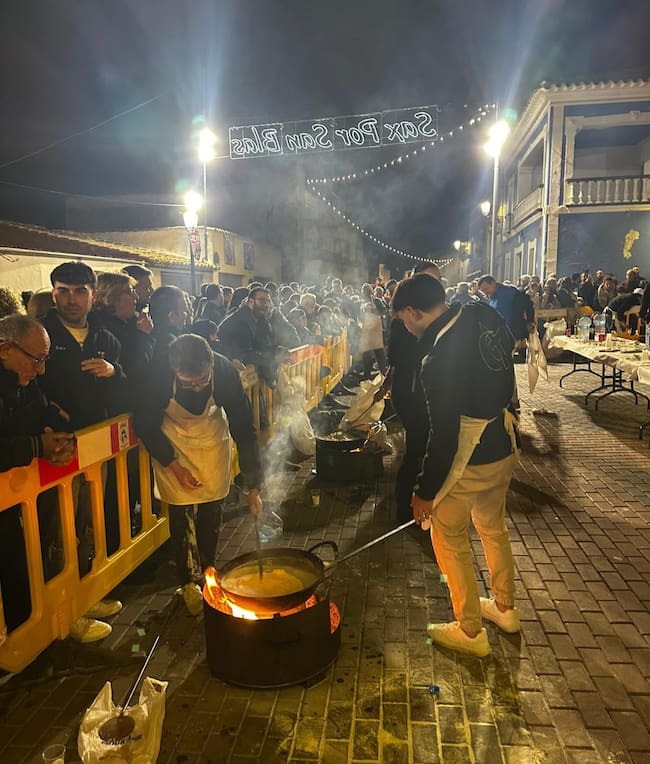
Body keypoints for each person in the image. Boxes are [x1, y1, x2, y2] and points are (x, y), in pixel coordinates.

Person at [391, 273, 520, 657]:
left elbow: (444, 436)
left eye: (403, 319)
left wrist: (424, 492)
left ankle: (469, 629)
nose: (405, 327)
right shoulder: (482, 312)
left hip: (471, 454)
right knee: (493, 527)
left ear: (413, 312)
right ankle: (505, 607)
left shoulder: (437, 359)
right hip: (504, 442)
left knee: (449, 536)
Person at [134, 333, 263, 615]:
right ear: (175, 371)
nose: (195, 388)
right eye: (187, 383)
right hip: (173, 442)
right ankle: (187, 583)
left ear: (211, 365)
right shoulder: (159, 373)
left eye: (202, 381)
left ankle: (208, 570)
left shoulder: (225, 371)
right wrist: (174, 465)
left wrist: (254, 485)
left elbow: (244, 427)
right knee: (180, 511)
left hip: (211, 438)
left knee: (212, 506)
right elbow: (144, 423)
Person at [40, 261, 126, 642]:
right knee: (59, 530)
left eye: (79, 292)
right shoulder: (41, 334)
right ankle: (65, 612)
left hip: (95, 446)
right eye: (63, 291)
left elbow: (126, 386)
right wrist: (47, 417)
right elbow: (25, 389)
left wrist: (114, 371)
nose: (71, 299)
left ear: (93, 295)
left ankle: (87, 596)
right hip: (56, 452)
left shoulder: (106, 336)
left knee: (91, 523)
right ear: (53, 293)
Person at [0, 316, 75, 636]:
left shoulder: (24, 382)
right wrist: (36, 446)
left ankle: (31, 631)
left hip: (15, 498)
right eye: (36, 360)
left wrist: (57, 437)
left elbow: (41, 410)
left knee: (23, 559)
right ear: (6, 349)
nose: (40, 370)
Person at [382, 262, 440, 525]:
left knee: (422, 447)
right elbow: (395, 357)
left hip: (420, 392)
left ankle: (413, 505)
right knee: (418, 449)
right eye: (430, 279)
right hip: (411, 392)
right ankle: (405, 509)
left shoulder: (438, 323)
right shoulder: (406, 322)